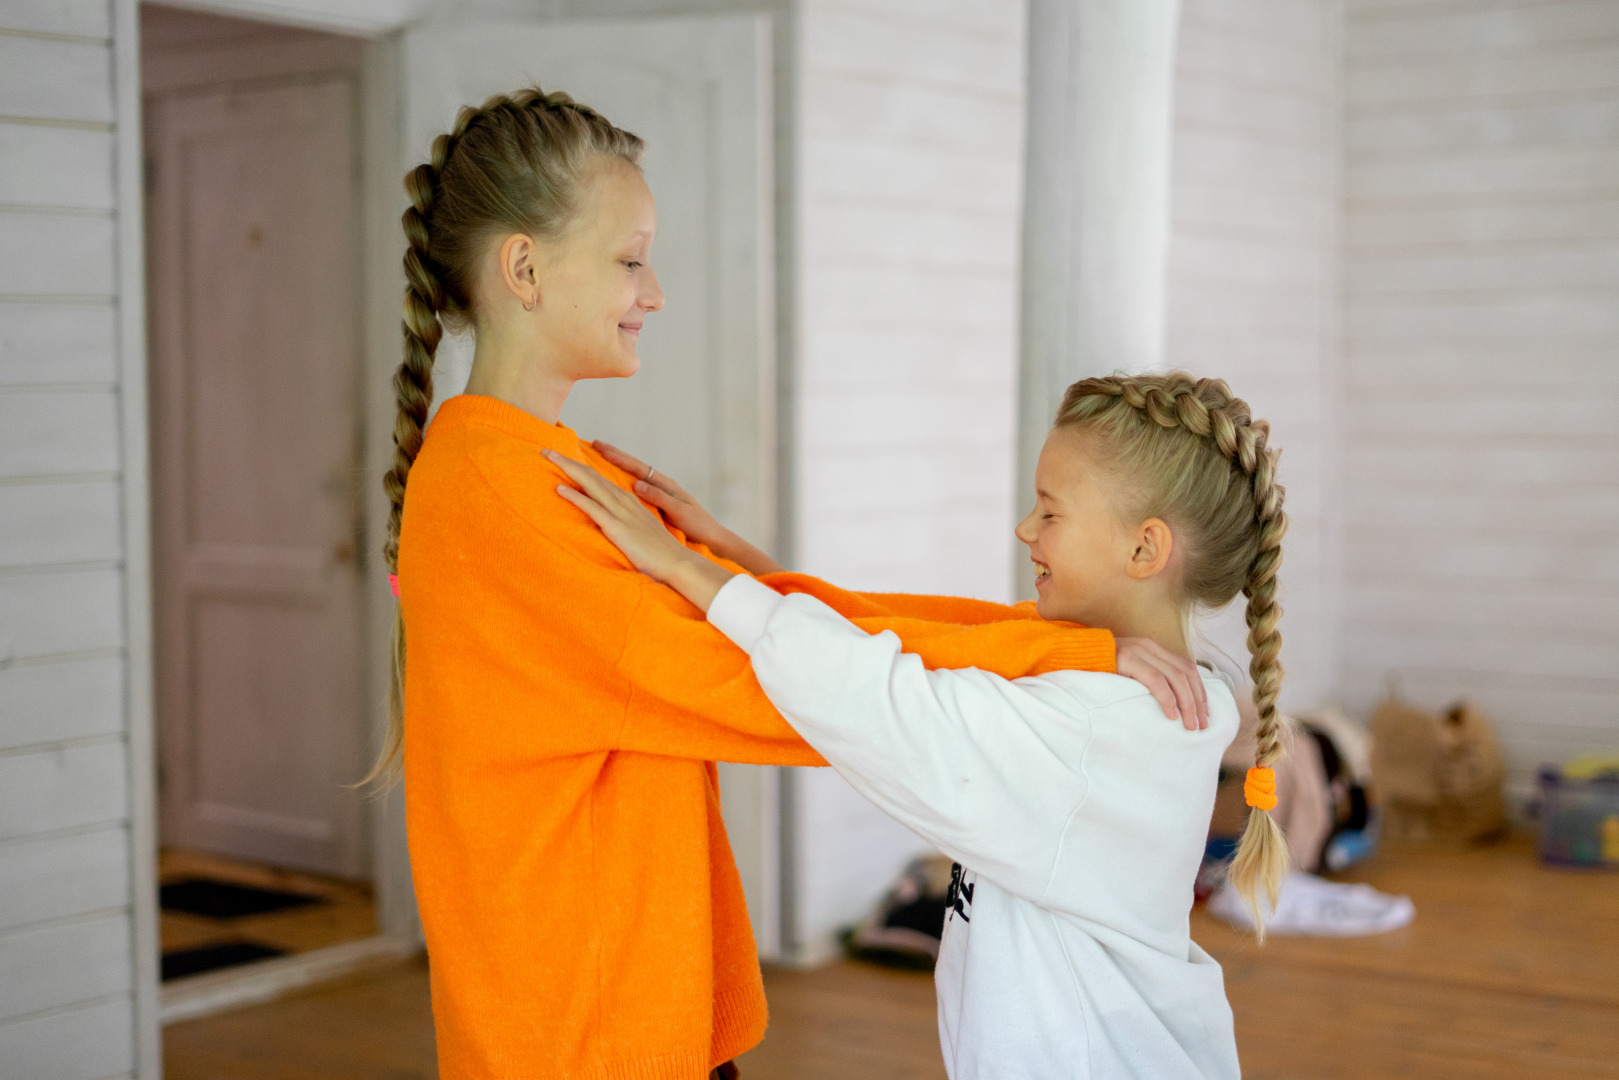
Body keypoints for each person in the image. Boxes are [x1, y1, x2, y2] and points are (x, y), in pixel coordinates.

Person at [373, 87, 1210, 1080]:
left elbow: (792, 630)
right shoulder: (500, 493)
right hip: (579, 1031)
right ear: (524, 267)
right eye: (630, 260)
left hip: (623, 1011)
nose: (655, 292)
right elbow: (780, 674)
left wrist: (1054, 642)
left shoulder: (547, 469)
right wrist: (1063, 650)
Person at [550, 372, 1292, 1078]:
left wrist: (685, 573)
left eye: (1051, 510)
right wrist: (725, 554)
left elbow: (882, 697)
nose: (1023, 526)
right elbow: (914, 635)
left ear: (1143, 548)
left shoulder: (1102, 729)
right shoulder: (1121, 685)